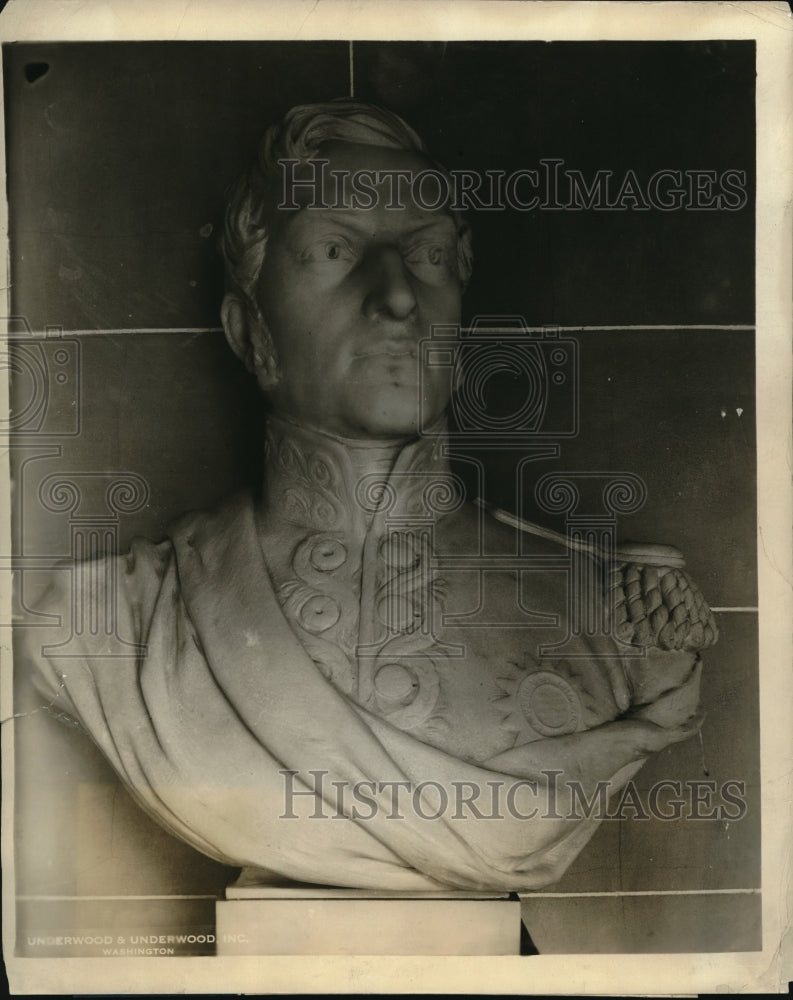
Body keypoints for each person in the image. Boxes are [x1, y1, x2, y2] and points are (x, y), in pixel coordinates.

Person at [22, 99, 717, 892]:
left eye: (425, 257)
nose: (395, 297)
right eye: (333, 248)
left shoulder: (609, 611)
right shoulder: (119, 626)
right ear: (251, 331)